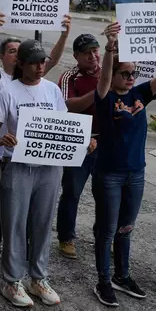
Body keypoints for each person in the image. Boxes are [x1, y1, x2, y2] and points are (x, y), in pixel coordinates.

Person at [92, 22, 156, 307]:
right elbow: (105, 77)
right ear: (116, 74)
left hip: (136, 173)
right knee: (107, 229)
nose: (131, 77)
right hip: (109, 173)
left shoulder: (141, 93)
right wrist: (110, 47)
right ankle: (104, 281)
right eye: (126, 73)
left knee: (126, 228)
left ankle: (123, 275)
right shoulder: (106, 97)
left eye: (134, 73)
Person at [0, 11, 71, 270]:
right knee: (8, 216)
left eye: (42, 61)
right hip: (10, 162)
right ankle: (6, 266)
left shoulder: (51, 89)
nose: (40, 66)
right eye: (33, 62)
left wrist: (80, 141)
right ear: (20, 63)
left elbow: (63, 126)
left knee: (41, 219)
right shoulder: (3, 86)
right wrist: (0, 140)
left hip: (46, 165)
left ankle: (37, 272)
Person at [56, 33, 102, 259]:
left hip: (107, 143)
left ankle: (105, 236)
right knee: (72, 191)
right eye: (86, 53)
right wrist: (99, 92)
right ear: (76, 56)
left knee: (107, 193)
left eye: (95, 51)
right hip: (80, 142)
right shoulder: (69, 78)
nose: (93, 56)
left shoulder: (110, 71)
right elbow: (68, 107)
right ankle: (66, 237)